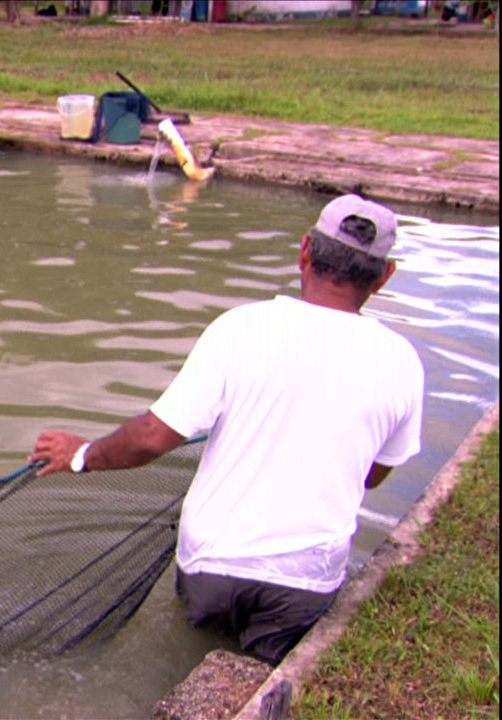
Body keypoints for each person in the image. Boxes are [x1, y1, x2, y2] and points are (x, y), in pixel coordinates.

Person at [29, 194, 424, 663]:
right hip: (305, 580)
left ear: (304, 251)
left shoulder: (240, 329)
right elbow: (373, 475)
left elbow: (155, 436)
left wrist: (81, 454)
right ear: (384, 275)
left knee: (188, 662)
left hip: (212, 565)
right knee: (266, 680)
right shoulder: (402, 363)